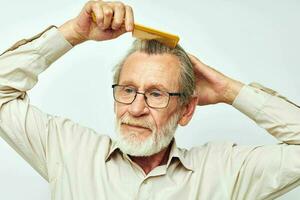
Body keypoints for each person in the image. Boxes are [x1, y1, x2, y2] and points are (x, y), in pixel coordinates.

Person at [0, 1, 299, 199]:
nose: (137, 108)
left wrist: (230, 91)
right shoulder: (67, 150)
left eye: (156, 93)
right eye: (128, 90)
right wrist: (74, 33)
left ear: (186, 109)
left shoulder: (225, 170)